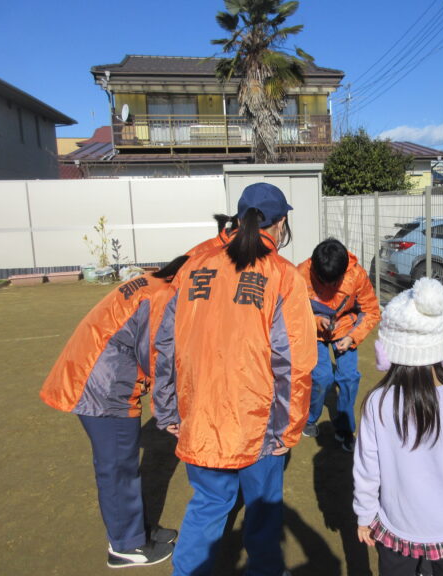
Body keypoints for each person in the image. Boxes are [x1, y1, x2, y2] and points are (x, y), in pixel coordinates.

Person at [152, 182, 317, 576]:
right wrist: (289, 428)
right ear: (280, 224)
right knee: (262, 514)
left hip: (199, 415)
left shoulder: (194, 266)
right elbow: (295, 363)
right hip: (257, 423)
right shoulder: (282, 275)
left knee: (208, 504)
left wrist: (167, 407)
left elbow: (165, 344)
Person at [39, 257, 190, 569]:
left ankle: (138, 530)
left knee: (123, 464)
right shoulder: (164, 297)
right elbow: (157, 357)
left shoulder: (155, 284)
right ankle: (125, 546)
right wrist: (171, 412)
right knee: (118, 468)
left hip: (98, 373)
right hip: (103, 386)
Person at [354, 278, 443, 576]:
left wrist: (365, 514)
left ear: (388, 350)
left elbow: (367, 468)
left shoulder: (377, 402)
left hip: (397, 526)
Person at [297, 238, 380, 452]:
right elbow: (293, 312)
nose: (330, 288)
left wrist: (353, 336)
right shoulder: (301, 274)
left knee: (349, 378)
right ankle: (310, 418)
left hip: (345, 329)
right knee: (322, 377)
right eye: (324, 283)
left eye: (335, 283)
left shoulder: (357, 275)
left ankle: (344, 429)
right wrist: (316, 321)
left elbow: (371, 311)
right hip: (313, 331)